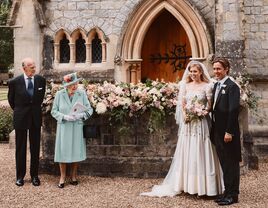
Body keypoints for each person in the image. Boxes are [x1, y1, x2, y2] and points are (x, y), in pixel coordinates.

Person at [141, 61, 223, 197]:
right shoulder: (185, 85)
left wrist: (202, 112)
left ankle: (205, 186)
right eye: (191, 71)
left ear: (201, 72)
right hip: (188, 124)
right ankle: (186, 184)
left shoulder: (208, 86)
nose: (192, 74)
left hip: (201, 123)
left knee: (201, 149)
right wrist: (186, 115)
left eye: (195, 71)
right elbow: (183, 104)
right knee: (188, 150)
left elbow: (210, 106)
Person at [8, 57, 46, 186]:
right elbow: (11, 101)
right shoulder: (14, 82)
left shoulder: (41, 80)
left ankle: (35, 176)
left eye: (34, 66)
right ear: (24, 68)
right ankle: (20, 177)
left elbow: (39, 100)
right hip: (20, 118)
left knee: (35, 148)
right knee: (20, 148)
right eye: (31, 67)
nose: (34, 68)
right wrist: (21, 111)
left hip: (35, 118)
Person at [51, 72, 93, 188]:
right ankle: (62, 177)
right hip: (64, 127)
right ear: (66, 85)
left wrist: (81, 116)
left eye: (76, 83)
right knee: (62, 152)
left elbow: (89, 110)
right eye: (72, 84)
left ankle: (73, 176)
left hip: (77, 126)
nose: (75, 86)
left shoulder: (81, 93)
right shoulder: (59, 94)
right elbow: (53, 111)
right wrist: (64, 117)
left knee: (75, 151)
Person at [211, 57, 241, 206]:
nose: (216, 71)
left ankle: (233, 195)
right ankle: (226, 192)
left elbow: (233, 111)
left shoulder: (232, 86)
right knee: (224, 164)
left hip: (228, 134)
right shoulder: (216, 85)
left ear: (226, 69)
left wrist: (229, 132)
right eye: (215, 68)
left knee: (231, 164)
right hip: (217, 132)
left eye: (219, 69)